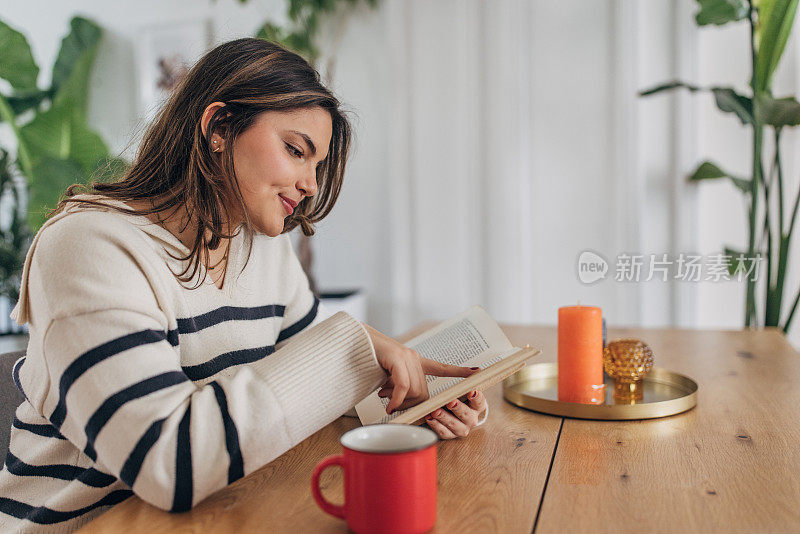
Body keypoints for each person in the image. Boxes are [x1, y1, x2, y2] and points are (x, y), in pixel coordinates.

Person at [0, 38, 488, 531]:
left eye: (317, 165)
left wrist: (409, 407)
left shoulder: (261, 248)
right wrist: (356, 346)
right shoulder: (88, 247)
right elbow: (168, 463)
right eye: (296, 150)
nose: (311, 184)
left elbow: (309, 387)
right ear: (218, 127)